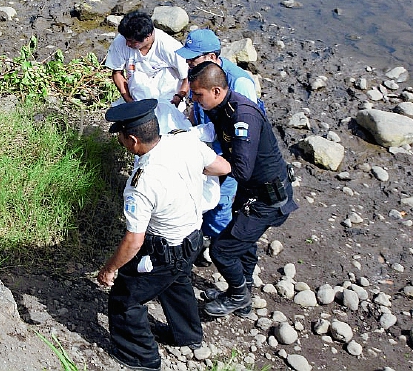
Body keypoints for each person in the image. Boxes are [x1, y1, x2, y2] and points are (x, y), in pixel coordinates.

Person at [97, 99, 230, 371]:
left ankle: (140, 357)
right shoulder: (185, 141)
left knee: (126, 298)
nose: (121, 143)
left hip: (165, 249)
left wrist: (110, 269)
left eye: (121, 138)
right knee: (178, 284)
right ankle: (188, 336)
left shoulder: (141, 182)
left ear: (133, 140)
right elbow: (222, 167)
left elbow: (134, 241)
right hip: (194, 237)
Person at [188, 61, 297, 319]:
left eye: (198, 94)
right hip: (250, 193)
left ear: (216, 91)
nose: (195, 99)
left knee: (221, 250)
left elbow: (241, 170)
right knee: (243, 244)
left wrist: (200, 168)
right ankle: (243, 297)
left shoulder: (243, 115)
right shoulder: (220, 109)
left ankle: (237, 295)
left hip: (267, 198)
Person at [177, 28, 262, 239]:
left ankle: (220, 244)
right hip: (208, 143)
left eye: (192, 59)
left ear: (212, 57)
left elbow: (244, 130)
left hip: (230, 151)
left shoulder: (239, 83)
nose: (188, 64)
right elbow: (196, 108)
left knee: (220, 201)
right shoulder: (197, 73)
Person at [104, 11, 191, 134]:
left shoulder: (169, 46)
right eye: (126, 40)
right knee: (138, 79)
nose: (128, 44)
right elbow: (117, 73)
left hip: (167, 93)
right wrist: (129, 100)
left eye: (132, 42)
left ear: (148, 37)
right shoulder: (121, 41)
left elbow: (187, 77)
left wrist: (178, 98)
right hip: (137, 91)